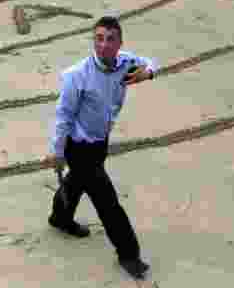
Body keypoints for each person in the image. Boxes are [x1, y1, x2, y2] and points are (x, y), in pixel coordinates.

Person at [47, 16, 158, 280]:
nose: (104, 45)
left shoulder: (125, 62)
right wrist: (57, 152)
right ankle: (128, 254)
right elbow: (64, 115)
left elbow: (152, 63)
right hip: (78, 145)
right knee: (107, 201)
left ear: (120, 43)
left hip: (100, 141)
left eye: (110, 39)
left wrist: (148, 72)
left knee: (76, 182)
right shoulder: (76, 76)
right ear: (92, 41)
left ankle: (60, 217)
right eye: (98, 38)